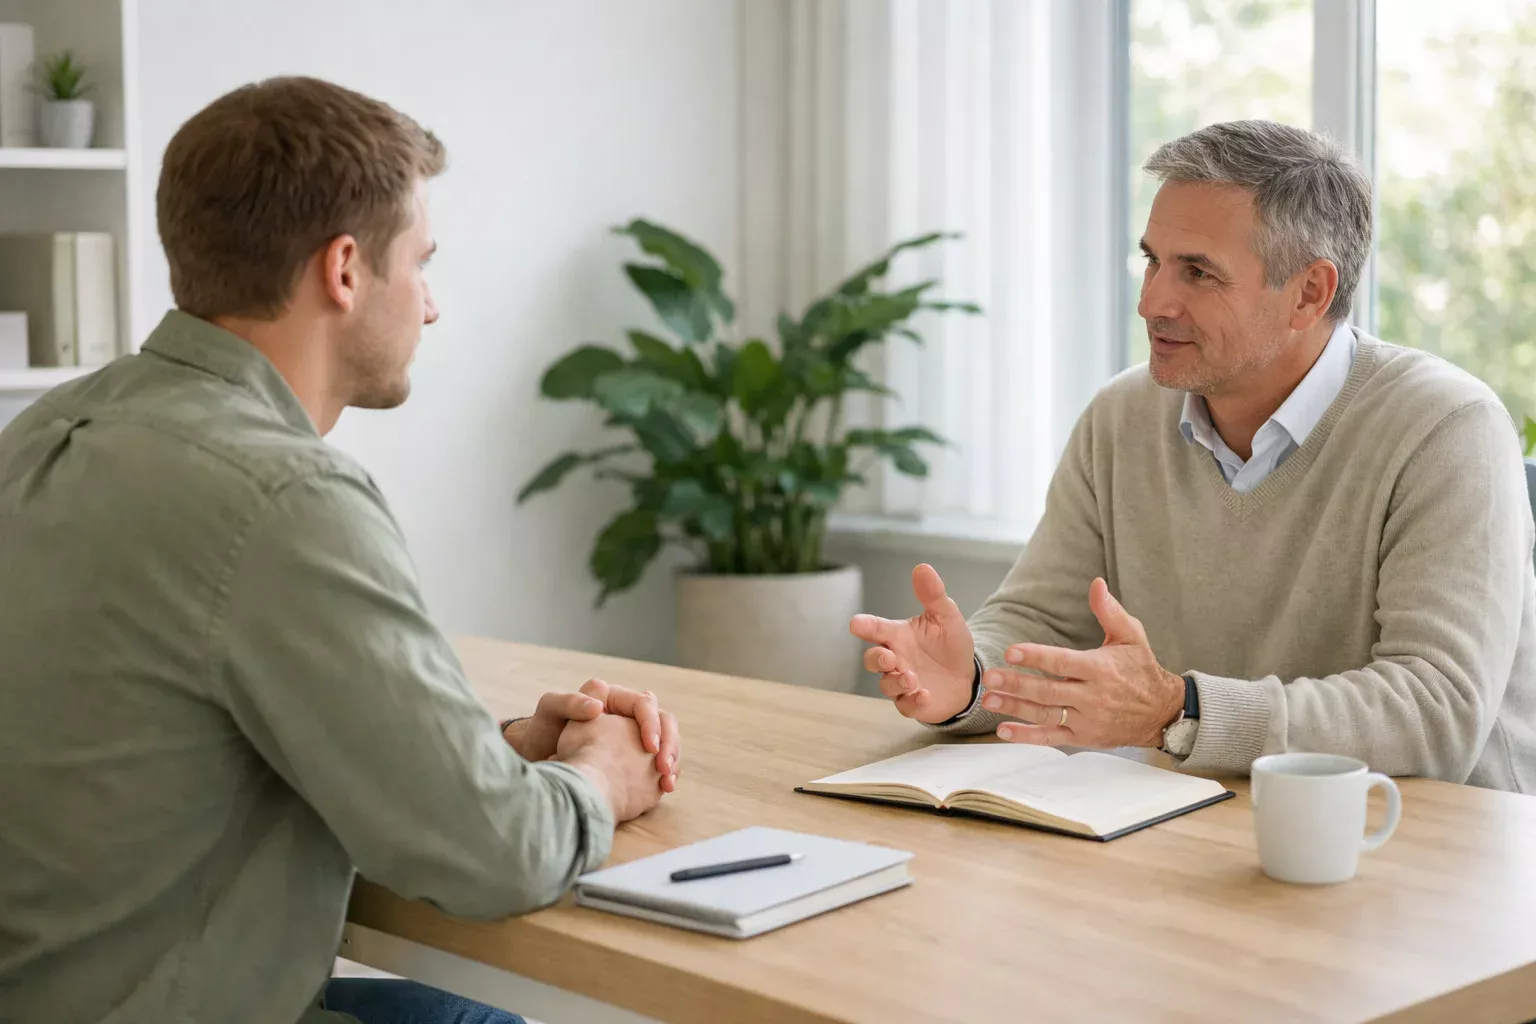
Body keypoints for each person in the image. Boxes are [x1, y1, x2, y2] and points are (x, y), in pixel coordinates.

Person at [0, 77, 680, 1024]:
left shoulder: (48, 429)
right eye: (422, 262)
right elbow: (497, 859)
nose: (432, 306)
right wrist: (600, 777)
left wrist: (494, 754)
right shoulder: (281, 495)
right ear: (347, 269)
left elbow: (166, 746)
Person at [850, 119, 1536, 794]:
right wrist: (970, 678)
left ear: (1309, 293)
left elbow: (1435, 711)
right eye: (1152, 260)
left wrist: (1179, 710)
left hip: (1439, 850)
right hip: (1209, 828)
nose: (1152, 302)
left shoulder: (1447, 430)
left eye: (1198, 273)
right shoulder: (1123, 416)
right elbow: (1040, 624)